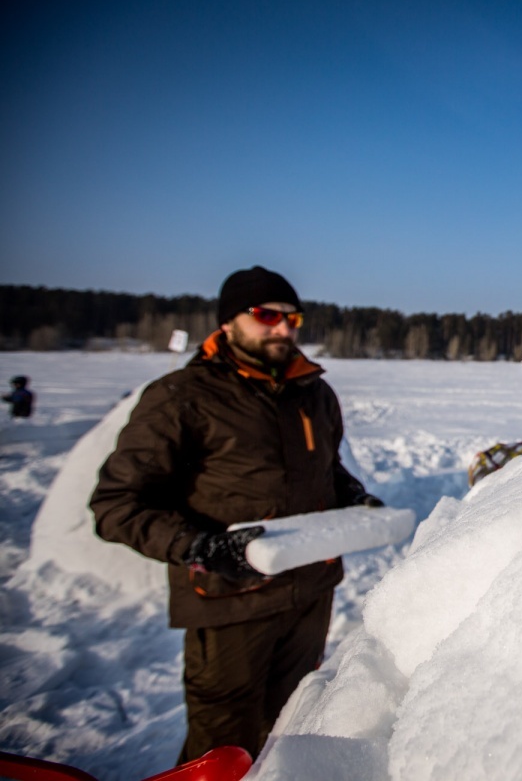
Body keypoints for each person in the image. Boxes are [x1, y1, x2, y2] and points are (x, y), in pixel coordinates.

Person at [90, 266, 380, 763]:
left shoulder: (313, 393)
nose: (283, 328)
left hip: (310, 594)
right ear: (228, 322)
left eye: (293, 318)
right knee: (221, 751)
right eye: (267, 315)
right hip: (229, 605)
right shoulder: (182, 397)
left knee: (289, 732)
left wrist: (352, 495)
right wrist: (200, 547)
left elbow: (324, 471)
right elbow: (116, 505)